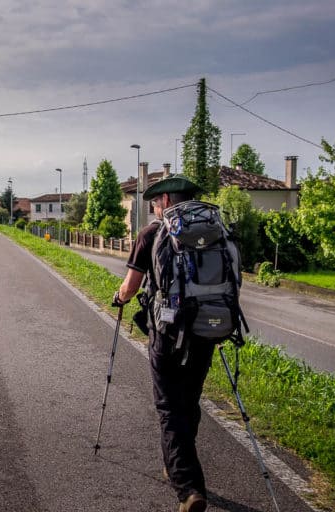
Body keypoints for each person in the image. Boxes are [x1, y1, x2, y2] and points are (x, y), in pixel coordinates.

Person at [112, 176, 212, 512]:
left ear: (166, 200)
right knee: (189, 401)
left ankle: (188, 489)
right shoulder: (213, 232)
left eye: (155, 203)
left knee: (169, 408)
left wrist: (119, 297)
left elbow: (129, 287)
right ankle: (177, 462)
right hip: (206, 330)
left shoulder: (152, 233)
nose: (154, 208)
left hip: (168, 333)